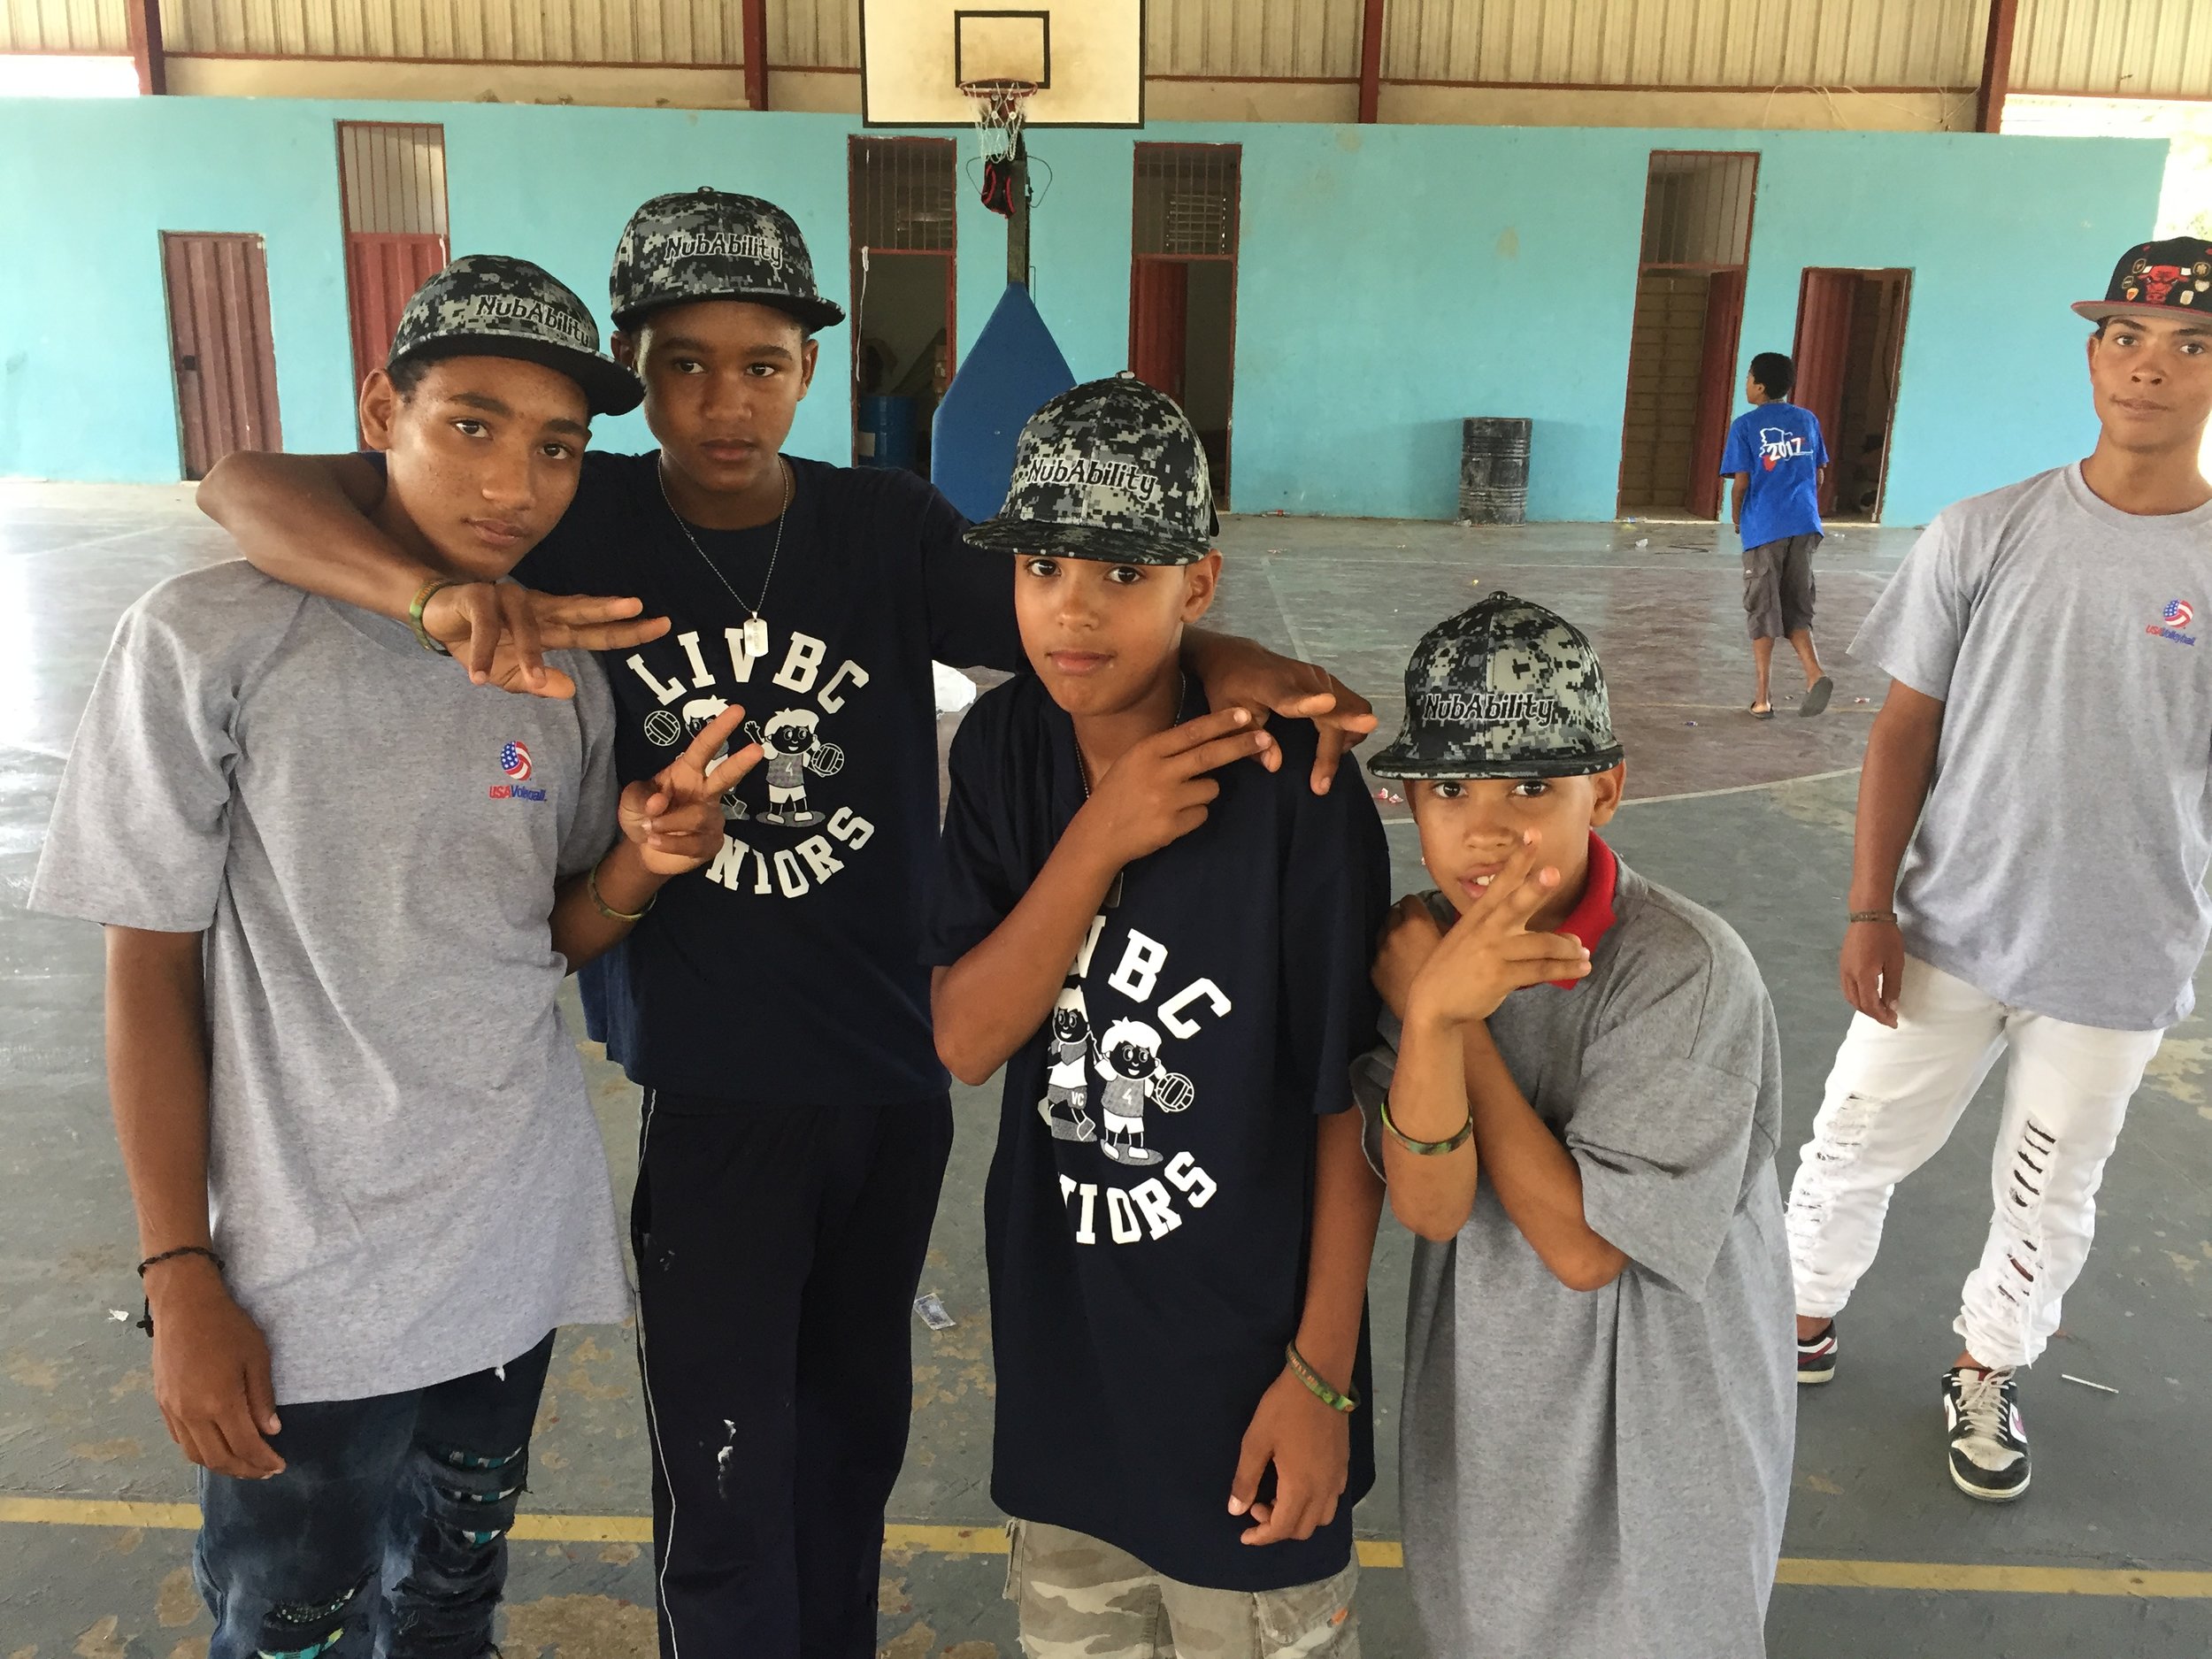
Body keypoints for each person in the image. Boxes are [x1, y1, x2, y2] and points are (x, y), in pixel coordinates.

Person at [196, 189, 1376, 1657]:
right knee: (725, 1484)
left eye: (761, 364)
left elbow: (1075, 607)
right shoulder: (576, 508)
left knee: (847, 1458)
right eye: (684, 364)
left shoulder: (884, 527)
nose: (725, 401)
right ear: (635, 372)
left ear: (811, 368)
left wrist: (1230, 650)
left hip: (890, 1083)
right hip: (718, 1088)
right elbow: (245, 485)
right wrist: (433, 594)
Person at [28, 257, 753, 1658]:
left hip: (508, 1246)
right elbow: (148, 971)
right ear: (381, 412)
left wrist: (642, 863)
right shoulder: (208, 639)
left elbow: (547, 934)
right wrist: (179, 1267)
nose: (514, 483)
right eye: (471, 425)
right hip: (303, 1281)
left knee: (450, 1595)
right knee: (289, 1617)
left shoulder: (563, 674)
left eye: (556, 448)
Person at [926, 376, 1390, 1658]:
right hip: (1070, 1372)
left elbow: (1346, 1107)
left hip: (1251, 1384)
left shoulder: (1297, 790)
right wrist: (1097, 840)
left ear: (1199, 584)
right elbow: (964, 1038)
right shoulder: (1006, 747)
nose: (1072, 608)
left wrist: (1321, 1378)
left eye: (1122, 574)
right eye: (1043, 567)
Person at [1786, 236, 2212, 1503]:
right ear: (2092, 356)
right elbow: (1901, 731)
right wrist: (1869, 907)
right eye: (2126, 337)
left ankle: (1988, 1366)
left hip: (2117, 955)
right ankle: (1794, 1316)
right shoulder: (1986, 529)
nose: (2149, 368)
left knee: (2048, 1186)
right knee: (1851, 1138)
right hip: (1946, 930)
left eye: (2189, 346)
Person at [1358, 594, 1794, 1659]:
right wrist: (1428, 1015)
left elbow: (1588, 1249)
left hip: (1662, 1440)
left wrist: (1449, 1021)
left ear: (1604, 790)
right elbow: (1430, 1205)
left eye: (1532, 785)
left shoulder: (1684, 971)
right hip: (1496, 1427)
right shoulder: (1409, 952)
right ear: (1408, 799)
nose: (1486, 827)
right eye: (1448, 788)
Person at [1723, 350, 1833, 720]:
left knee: (1763, 609)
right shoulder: (1807, 420)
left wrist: (1737, 517)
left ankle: (1763, 697)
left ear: (1760, 385)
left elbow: (1741, 482)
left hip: (1765, 527)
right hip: (1804, 524)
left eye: (1748, 377)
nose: (1746, 384)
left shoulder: (1745, 426)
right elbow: (1818, 475)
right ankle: (1814, 674)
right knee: (1796, 606)